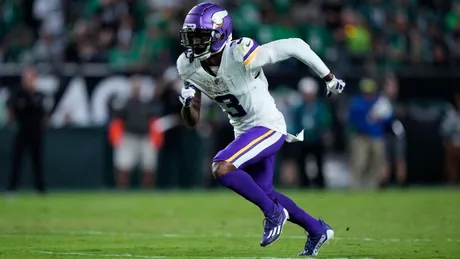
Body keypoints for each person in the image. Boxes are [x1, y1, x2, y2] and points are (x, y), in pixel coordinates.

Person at [176, 3, 345, 256]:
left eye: (200, 37)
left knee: (221, 167)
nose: (194, 44)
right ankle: (317, 229)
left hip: (268, 126)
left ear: (220, 34)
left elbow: (296, 45)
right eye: (191, 38)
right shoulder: (187, 65)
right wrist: (187, 103)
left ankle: (274, 214)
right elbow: (192, 120)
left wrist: (329, 77)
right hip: (244, 132)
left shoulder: (240, 52)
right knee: (265, 192)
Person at [110, 76, 162, 189]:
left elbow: (153, 121)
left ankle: (148, 191)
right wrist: (117, 137)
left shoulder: (147, 104)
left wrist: (155, 138)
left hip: (145, 137)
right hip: (128, 136)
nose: (136, 89)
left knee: (149, 166)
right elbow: (117, 121)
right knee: (123, 166)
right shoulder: (124, 104)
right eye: (134, 86)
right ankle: (122, 190)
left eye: (138, 86)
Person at [6, 66, 47, 194]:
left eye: (31, 78)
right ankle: (12, 188)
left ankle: (40, 189)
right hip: (22, 130)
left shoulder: (39, 95)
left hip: (36, 131)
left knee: (37, 161)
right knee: (17, 161)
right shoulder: (18, 93)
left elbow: (44, 114)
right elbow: (10, 109)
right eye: (26, 78)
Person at [348, 78, 392, 190]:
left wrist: (379, 117)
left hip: (376, 136)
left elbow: (388, 119)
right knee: (359, 162)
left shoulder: (381, 102)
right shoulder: (357, 103)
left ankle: (372, 187)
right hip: (360, 136)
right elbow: (355, 119)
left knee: (376, 162)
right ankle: (355, 187)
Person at [292, 77, 333, 189]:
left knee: (319, 163)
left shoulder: (320, 106)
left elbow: (325, 121)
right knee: (302, 163)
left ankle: (320, 184)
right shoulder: (299, 108)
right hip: (303, 139)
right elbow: (296, 123)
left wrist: (325, 133)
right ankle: (303, 184)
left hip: (316, 138)